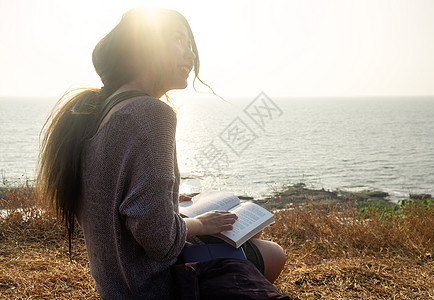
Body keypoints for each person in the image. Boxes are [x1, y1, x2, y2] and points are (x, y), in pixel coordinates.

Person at [38, 6, 285, 299]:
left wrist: (165, 200)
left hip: (117, 285)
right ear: (144, 48)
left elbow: (113, 197)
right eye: (178, 40)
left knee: (250, 233)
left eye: (189, 44)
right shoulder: (151, 113)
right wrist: (202, 223)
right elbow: (160, 241)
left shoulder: (100, 111)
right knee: (273, 253)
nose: (190, 55)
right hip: (154, 285)